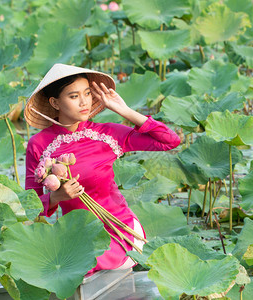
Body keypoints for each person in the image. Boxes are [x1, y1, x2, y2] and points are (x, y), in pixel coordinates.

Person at [24, 63, 181, 274]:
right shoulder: (39, 144)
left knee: (77, 265)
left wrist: (124, 110)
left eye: (87, 93)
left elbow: (169, 141)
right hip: (74, 237)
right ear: (55, 102)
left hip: (119, 232)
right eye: (73, 96)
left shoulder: (107, 134)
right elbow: (29, 205)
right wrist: (56, 198)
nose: (84, 102)